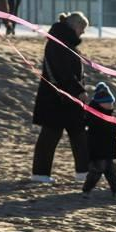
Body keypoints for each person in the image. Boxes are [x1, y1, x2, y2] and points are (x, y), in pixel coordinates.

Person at [29, 11, 90, 183]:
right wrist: (79, 90)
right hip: (56, 98)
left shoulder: (66, 43)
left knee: (79, 135)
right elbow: (63, 72)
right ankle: (40, 175)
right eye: (82, 28)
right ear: (75, 26)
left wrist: (77, 90)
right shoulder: (57, 43)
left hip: (67, 99)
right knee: (50, 136)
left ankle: (84, 173)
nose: (83, 32)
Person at [82, 83, 116, 198]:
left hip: (109, 150)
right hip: (96, 150)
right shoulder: (95, 116)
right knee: (97, 170)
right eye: (108, 103)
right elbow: (111, 126)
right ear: (100, 104)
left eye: (112, 103)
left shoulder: (109, 116)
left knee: (112, 171)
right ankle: (87, 189)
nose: (111, 105)